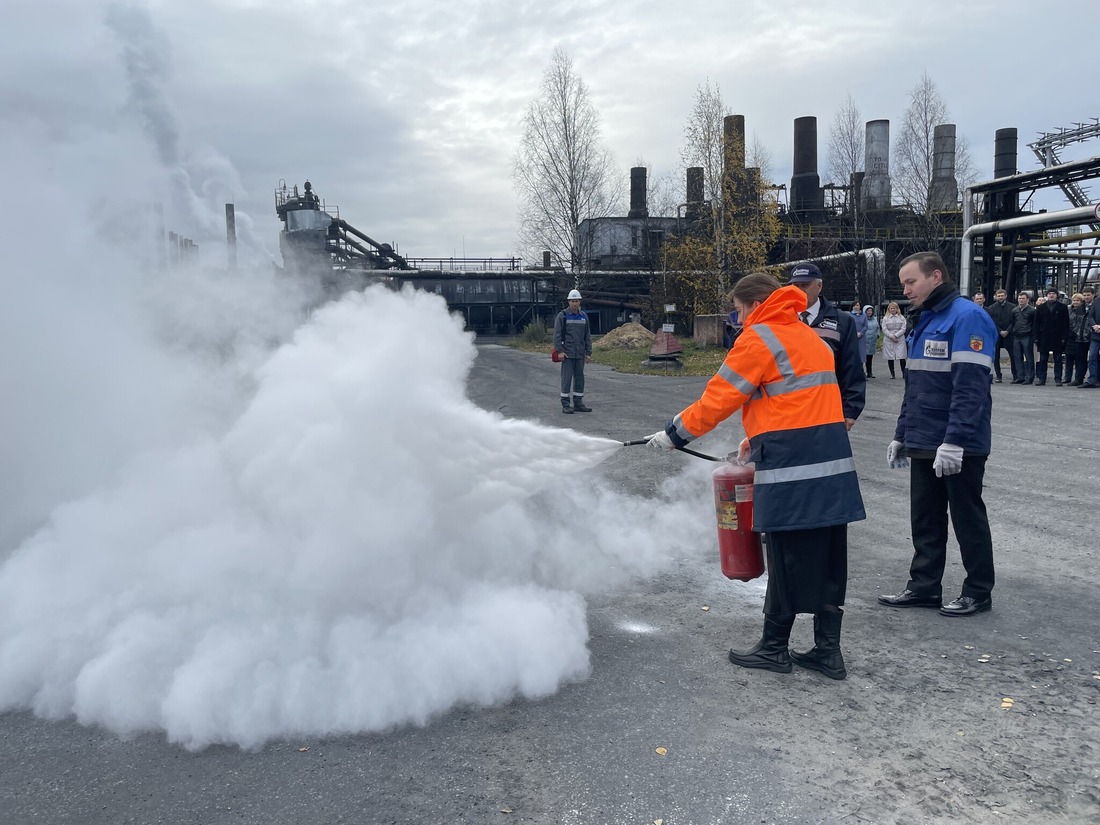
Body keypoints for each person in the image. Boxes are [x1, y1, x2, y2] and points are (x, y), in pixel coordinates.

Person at [647, 273, 865, 680]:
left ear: (752, 304)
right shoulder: (809, 337)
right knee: (831, 556)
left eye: (738, 309)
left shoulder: (758, 338)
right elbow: (798, 401)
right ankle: (827, 653)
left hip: (791, 468)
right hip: (831, 463)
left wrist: (673, 434)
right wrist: (753, 438)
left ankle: (774, 648)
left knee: (784, 555)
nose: (738, 317)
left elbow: (718, 399)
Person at [880, 252, 997, 617]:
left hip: (958, 445)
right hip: (924, 439)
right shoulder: (926, 319)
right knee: (925, 518)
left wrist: (955, 440)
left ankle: (978, 591)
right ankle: (924, 586)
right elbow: (915, 388)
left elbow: (970, 389)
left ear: (935, 277)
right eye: (903, 283)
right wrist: (902, 434)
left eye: (910, 282)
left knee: (967, 519)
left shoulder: (967, 317)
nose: (905, 290)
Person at [788, 263, 866, 429]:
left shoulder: (842, 321)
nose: (799, 290)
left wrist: (850, 410)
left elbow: (851, 366)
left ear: (819, 286)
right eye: (795, 285)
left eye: (805, 285)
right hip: (788, 409)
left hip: (828, 409)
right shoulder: (782, 318)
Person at [553, 289, 592, 413]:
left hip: (580, 353)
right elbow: (557, 335)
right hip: (567, 354)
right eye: (572, 301)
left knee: (580, 378)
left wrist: (588, 353)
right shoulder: (562, 316)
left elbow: (587, 336)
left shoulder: (584, 316)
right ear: (568, 302)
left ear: (580, 302)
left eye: (577, 301)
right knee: (567, 379)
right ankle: (565, 404)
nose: (575, 303)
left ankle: (578, 403)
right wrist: (559, 351)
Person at [1034, 289, 1069, 386]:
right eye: (1050, 294)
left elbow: (1066, 324)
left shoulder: (1063, 307)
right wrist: (1036, 337)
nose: (1051, 295)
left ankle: (1058, 378)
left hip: (1057, 336)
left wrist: (1064, 337)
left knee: (1058, 359)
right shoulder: (1040, 307)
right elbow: (1036, 323)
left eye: (1053, 294)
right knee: (1043, 358)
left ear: (1057, 295)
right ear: (1047, 295)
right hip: (1043, 336)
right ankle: (1042, 378)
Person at [985, 289, 1014, 383]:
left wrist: (1008, 331)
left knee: (1013, 355)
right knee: (996, 356)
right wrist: (1000, 331)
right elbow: (991, 322)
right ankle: (998, 375)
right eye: (999, 296)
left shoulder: (1012, 307)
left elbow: (1014, 321)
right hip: (997, 334)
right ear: (996, 297)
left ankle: (1016, 375)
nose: (1000, 297)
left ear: (1006, 296)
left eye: (1002, 295)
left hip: (1009, 334)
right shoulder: (991, 308)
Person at [1010, 291, 1037, 384]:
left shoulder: (1032, 310)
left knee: (1029, 357)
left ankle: (1029, 377)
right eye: (1019, 298)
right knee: (1017, 357)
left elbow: (1034, 324)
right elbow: (1013, 322)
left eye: (1023, 298)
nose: (1021, 300)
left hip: (1027, 336)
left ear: (1027, 299)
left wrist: (1033, 335)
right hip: (1017, 336)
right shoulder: (1015, 310)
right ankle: (1020, 376)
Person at [1065, 293, 1090, 386]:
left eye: (1077, 300)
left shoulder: (1082, 310)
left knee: (1080, 359)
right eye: (1074, 300)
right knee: (1069, 358)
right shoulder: (1068, 309)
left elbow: (1080, 323)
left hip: (1080, 336)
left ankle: (1079, 378)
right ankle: (1068, 378)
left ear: (1081, 301)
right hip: (1069, 335)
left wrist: (1076, 332)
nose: (1075, 302)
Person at [880, 301, 908, 379]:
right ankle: (892, 373)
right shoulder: (885, 318)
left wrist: (896, 335)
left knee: (901, 357)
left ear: (897, 309)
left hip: (899, 338)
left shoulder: (901, 318)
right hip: (889, 339)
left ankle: (904, 373)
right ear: (889, 309)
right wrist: (891, 336)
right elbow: (884, 329)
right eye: (891, 308)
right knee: (890, 357)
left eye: (894, 308)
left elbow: (903, 328)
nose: (893, 310)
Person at [1081, 291, 1100, 389]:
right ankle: (1092, 380)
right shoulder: (1097, 301)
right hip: (1096, 335)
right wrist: (1094, 325)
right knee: (1092, 357)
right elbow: (1090, 316)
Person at [863, 305, 880, 378]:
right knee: (863, 358)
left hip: (872, 341)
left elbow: (878, 328)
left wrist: (878, 335)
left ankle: (869, 372)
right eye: (868, 311)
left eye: (871, 311)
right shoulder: (863, 319)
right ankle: (861, 372)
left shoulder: (875, 319)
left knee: (870, 358)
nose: (869, 312)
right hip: (864, 341)